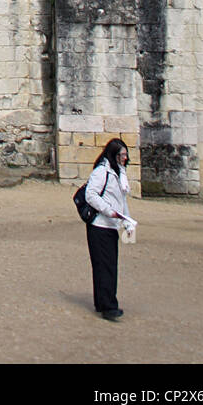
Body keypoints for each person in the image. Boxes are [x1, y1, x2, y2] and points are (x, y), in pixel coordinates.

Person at [84, 137, 132, 321]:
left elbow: (122, 201)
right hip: (99, 226)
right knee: (106, 266)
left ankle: (101, 302)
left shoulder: (119, 172)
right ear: (113, 154)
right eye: (122, 154)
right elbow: (90, 194)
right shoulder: (101, 171)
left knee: (106, 265)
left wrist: (127, 222)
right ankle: (109, 307)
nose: (125, 158)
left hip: (111, 226)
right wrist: (108, 211)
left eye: (126, 154)